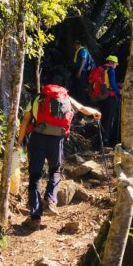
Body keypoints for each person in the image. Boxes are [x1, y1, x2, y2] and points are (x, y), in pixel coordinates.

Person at [16, 84, 101, 230]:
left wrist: (19, 142)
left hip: (38, 138)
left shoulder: (37, 98)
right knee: (55, 171)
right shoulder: (66, 98)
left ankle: (35, 218)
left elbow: (25, 120)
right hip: (57, 140)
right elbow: (82, 109)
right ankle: (50, 200)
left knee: (35, 176)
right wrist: (95, 112)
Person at [98, 55, 121, 147]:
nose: (116, 65)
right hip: (110, 98)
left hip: (102, 97)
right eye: (115, 63)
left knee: (104, 119)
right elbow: (112, 83)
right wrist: (119, 91)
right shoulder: (111, 70)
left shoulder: (103, 69)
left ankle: (100, 140)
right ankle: (104, 141)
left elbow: (108, 83)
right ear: (111, 63)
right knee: (108, 119)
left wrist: (117, 84)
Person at [70, 40, 95, 105]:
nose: (73, 46)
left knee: (81, 87)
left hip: (82, 71)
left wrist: (80, 71)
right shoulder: (79, 50)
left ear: (77, 44)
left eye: (74, 45)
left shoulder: (82, 50)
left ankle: (83, 103)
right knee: (77, 86)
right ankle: (78, 101)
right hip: (78, 71)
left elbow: (84, 60)